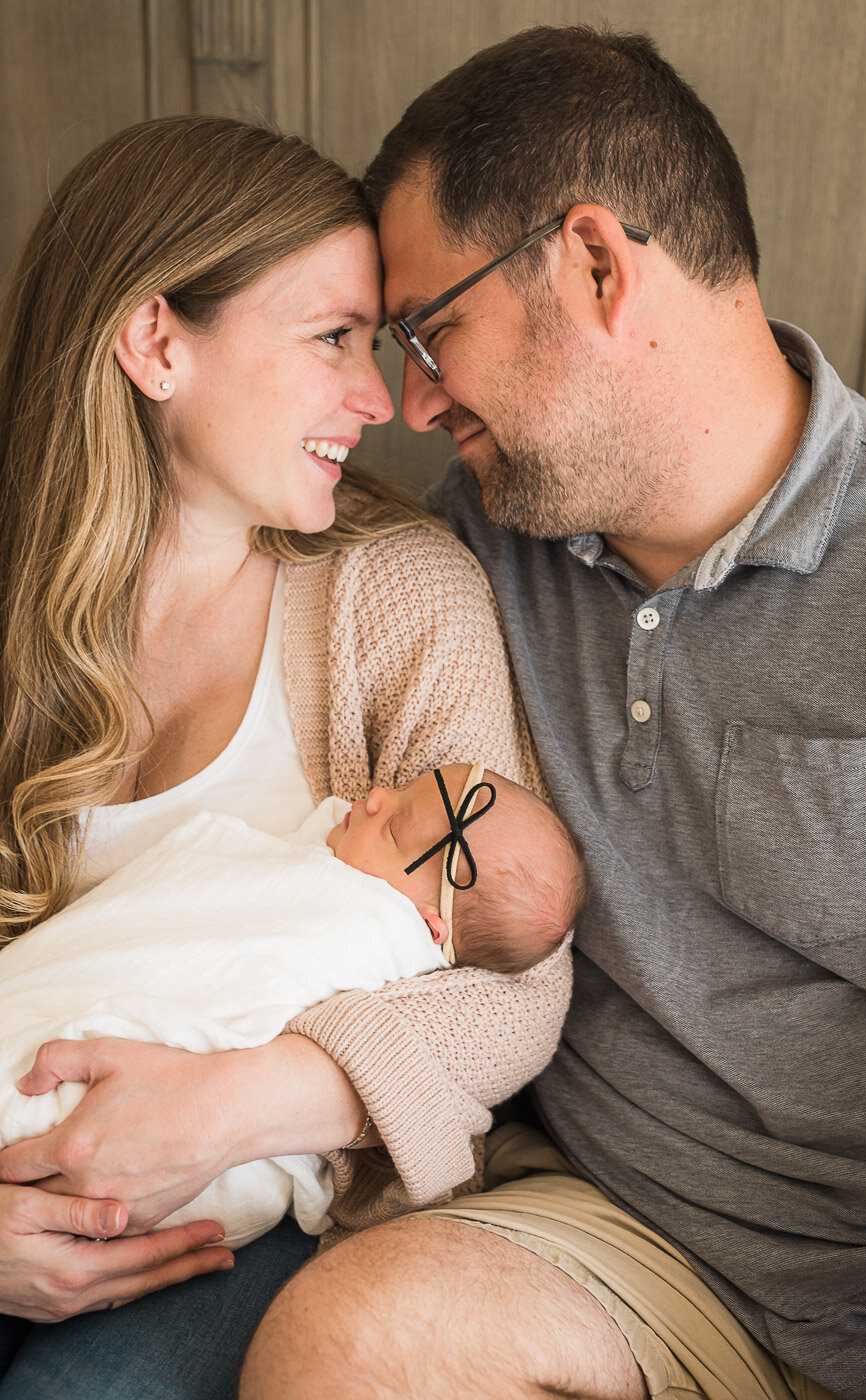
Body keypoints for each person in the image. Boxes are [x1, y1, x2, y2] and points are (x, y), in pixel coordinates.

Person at [240, 25, 866, 1400]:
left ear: (598, 266)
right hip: (608, 1242)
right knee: (347, 1346)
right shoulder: (475, 548)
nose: (410, 401)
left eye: (432, 332)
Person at [0, 115, 573, 1398]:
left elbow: (517, 983)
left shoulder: (399, 598)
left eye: (373, 348)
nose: (382, 401)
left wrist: (226, 1108)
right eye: (331, 340)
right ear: (157, 343)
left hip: (259, 1196)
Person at [0, 763, 583, 1250]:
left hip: (176, 1149)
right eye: (401, 789)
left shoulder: (376, 930)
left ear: (428, 926)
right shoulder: (353, 854)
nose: (377, 796)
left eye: (396, 829)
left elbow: (519, 1011)